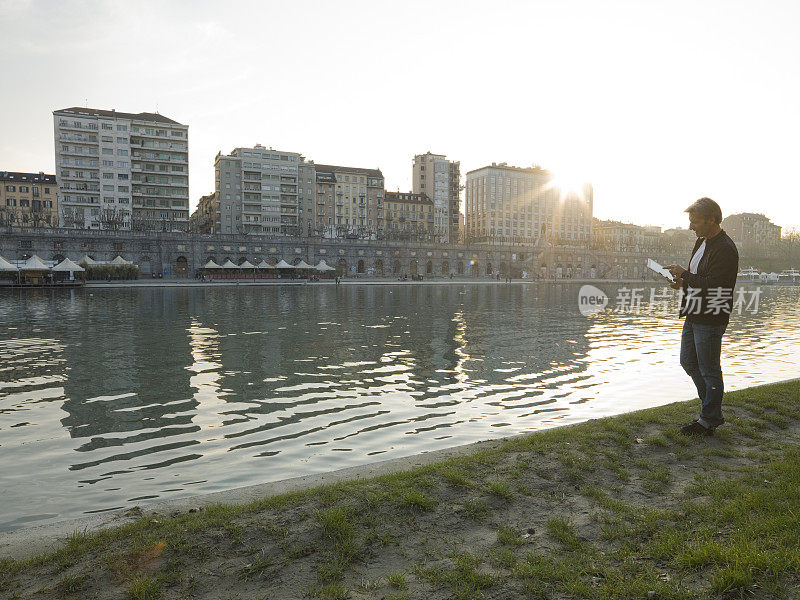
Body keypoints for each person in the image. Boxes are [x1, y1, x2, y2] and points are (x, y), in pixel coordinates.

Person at [666, 197, 739, 437]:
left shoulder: (726, 249)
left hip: (711, 316)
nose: (690, 227)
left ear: (710, 220)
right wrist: (681, 282)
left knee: (709, 369)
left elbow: (715, 286)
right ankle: (711, 409)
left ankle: (708, 418)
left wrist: (685, 274)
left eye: (695, 222)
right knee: (688, 361)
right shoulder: (701, 241)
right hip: (693, 312)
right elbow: (697, 278)